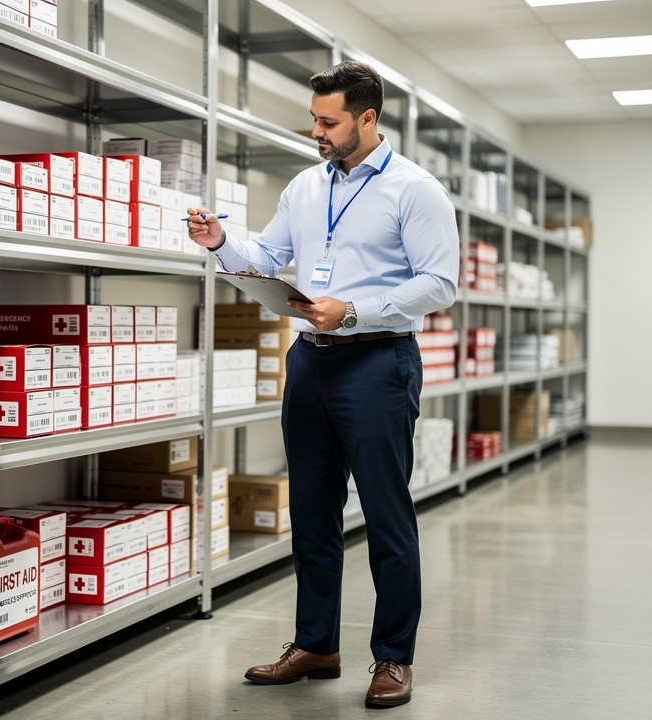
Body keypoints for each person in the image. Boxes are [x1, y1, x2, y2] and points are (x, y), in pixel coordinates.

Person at [185, 60, 459, 709]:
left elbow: (441, 282)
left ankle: (393, 657)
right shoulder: (306, 186)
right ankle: (316, 644)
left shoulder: (415, 190)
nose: (317, 130)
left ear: (368, 118)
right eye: (314, 118)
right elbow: (269, 257)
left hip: (377, 361)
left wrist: (356, 310)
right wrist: (224, 242)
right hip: (309, 359)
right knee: (311, 511)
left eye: (328, 120)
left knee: (387, 516)